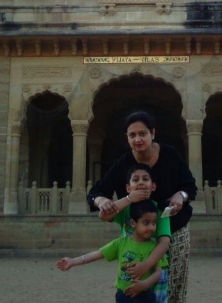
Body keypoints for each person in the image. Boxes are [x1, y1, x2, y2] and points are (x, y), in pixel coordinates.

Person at [89, 111, 196, 303]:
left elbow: (190, 186)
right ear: (127, 138)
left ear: (153, 133)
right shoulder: (124, 164)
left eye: (142, 133)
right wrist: (102, 201)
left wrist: (181, 196)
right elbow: (96, 192)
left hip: (172, 226)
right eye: (132, 135)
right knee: (135, 282)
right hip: (136, 232)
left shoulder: (169, 155)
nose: (138, 139)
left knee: (173, 282)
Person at [57, 200, 164, 303]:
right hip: (123, 296)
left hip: (145, 296)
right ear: (133, 223)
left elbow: (158, 272)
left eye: (154, 223)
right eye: (146, 223)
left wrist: (144, 285)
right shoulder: (120, 243)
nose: (151, 227)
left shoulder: (154, 247)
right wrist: (72, 261)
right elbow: (97, 254)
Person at [101, 163, 172, 301]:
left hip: (153, 269)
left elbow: (164, 243)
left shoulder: (161, 211)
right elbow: (104, 215)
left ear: (153, 186)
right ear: (128, 187)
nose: (140, 183)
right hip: (131, 269)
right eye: (135, 180)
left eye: (145, 179)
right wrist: (128, 199)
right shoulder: (125, 209)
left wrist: (145, 266)